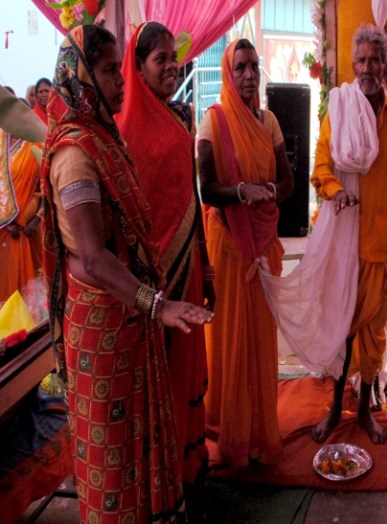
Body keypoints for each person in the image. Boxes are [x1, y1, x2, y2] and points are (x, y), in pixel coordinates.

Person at [40, 24, 212, 522]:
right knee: (114, 456)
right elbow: (93, 258)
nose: (120, 81)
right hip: (102, 328)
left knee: (140, 442)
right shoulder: (74, 156)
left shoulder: (103, 138)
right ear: (81, 77)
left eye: (119, 69)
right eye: (109, 71)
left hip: (128, 320)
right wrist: (156, 304)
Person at [116, 22, 213, 494]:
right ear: (137, 68)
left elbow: (190, 195)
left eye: (174, 58)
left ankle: (189, 470)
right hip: (148, 284)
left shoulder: (182, 116)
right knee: (158, 377)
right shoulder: (123, 129)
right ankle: (162, 480)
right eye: (160, 60)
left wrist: (206, 264)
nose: (172, 67)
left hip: (187, 265)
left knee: (187, 365)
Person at [310, 24, 387, 444]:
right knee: (341, 329)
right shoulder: (340, 110)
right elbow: (320, 167)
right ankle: (336, 409)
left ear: (386, 67)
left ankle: (366, 412)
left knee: (372, 334)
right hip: (343, 242)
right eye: (362, 61)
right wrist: (336, 191)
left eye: (375, 60)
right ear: (354, 66)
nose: (368, 68)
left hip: (380, 245)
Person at [197, 38, 294, 466]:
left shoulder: (269, 121)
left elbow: (288, 182)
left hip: (263, 244)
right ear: (228, 73)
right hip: (229, 246)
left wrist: (266, 190)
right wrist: (241, 192)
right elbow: (206, 189)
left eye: (254, 66)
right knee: (231, 339)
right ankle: (232, 433)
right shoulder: (213, 121)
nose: (250, 74)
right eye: (240, 67)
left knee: (261, 340)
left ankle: (260, 430)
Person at [0, 127, 43, 303]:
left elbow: (48, 188)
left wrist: (37, 217)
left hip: (28, 226)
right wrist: (5, 218)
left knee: (30, 292)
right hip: (3, 228)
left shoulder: (37, 143)